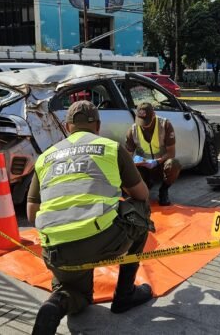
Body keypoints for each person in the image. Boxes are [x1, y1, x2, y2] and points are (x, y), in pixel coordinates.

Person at [28, 101, 154, 334]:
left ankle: (54, 306)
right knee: (140, 211)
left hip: (57, 248)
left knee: (78, 296)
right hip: (101, 239)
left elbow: (31, 212)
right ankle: (124, 294)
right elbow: (142, 194)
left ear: (67, 127)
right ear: (97, 125)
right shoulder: (110, 147)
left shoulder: (45, 157)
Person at [125, 102, 181, 206]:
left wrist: (156, 161)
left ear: (154, 115)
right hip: (143, 167)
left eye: (146, 121)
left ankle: (163, 191)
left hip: (160, 164)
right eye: (141, 121)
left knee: (174, 164)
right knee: (127, 170)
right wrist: (135, 163)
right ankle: (144, 185)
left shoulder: (165, 125)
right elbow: (127, 157)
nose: (144, 125)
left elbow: (171, 153)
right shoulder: (132, 130)